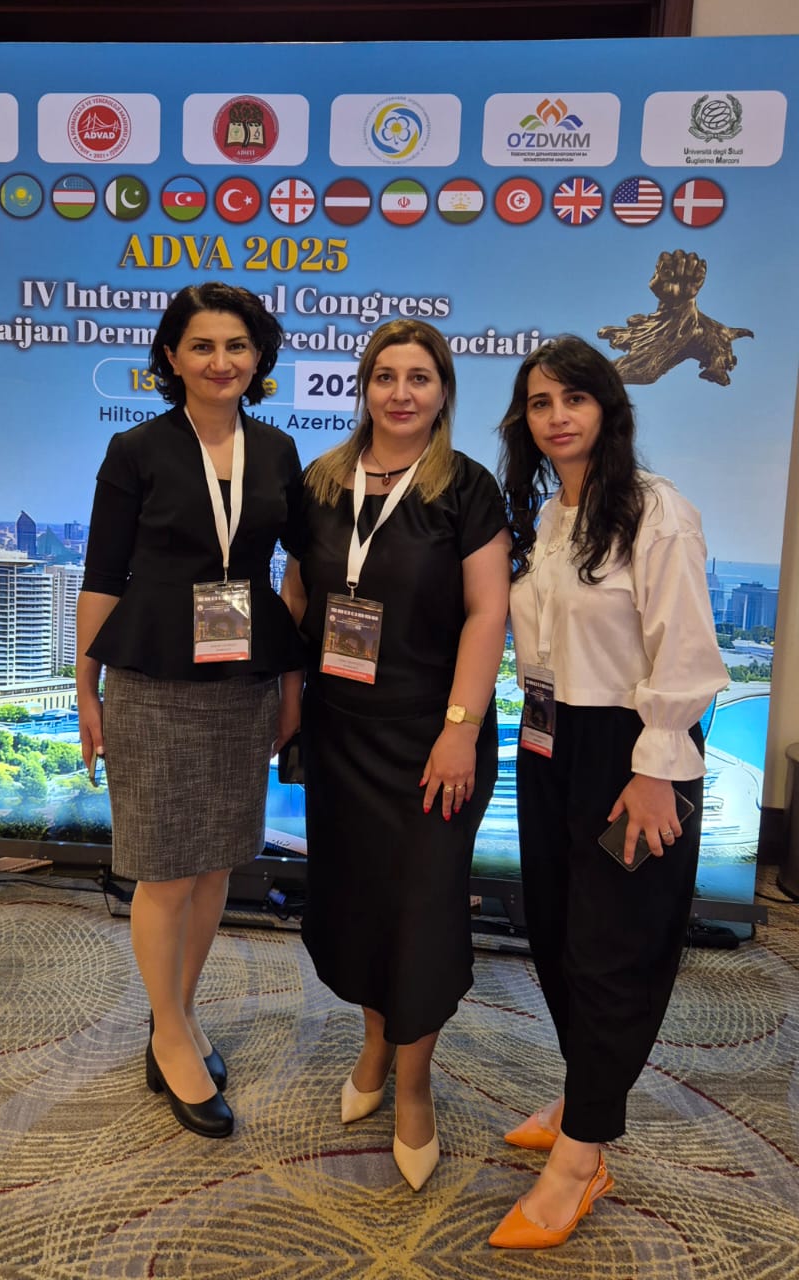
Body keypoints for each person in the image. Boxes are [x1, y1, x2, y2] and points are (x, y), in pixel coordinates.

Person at [490, 335, 727, 1248]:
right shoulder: (546, 518)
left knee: (614, 947)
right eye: (540, 403)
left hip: (633, 751)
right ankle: (586, 1090)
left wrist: (657, 767)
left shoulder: (656, 511)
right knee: (554, 931)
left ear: (607, 409)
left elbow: (687, 653)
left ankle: (583, 1154)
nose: (557, 417)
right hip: (548, 741)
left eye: (575, 398)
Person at [280, 319, 511, 1190]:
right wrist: (290, 697)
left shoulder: (467, 488)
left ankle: (414, 1086)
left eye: (420, 377)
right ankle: (375, 1044)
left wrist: (460, 727)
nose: (401, 393)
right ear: (363, 387)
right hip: (342, 733)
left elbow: (488, 613)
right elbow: (299, 590)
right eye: (386, 376)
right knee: (359, 903)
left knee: (420, 913)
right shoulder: (321, 481)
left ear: (443, 391)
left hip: (431, 739)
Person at [77, 283, 304, 1139]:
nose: (220, 362)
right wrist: (85, 688)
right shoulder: (135, 449)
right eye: (202, 346)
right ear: (170, 357)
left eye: (237, 346)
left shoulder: (278, 451)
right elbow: (103, 576)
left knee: (214, 864)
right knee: (165, 867)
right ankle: (169, 1032)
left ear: (259, 357)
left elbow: (296, 572)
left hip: (245, 679)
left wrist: (292, 683)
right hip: (153, 677)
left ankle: (178, 1011)